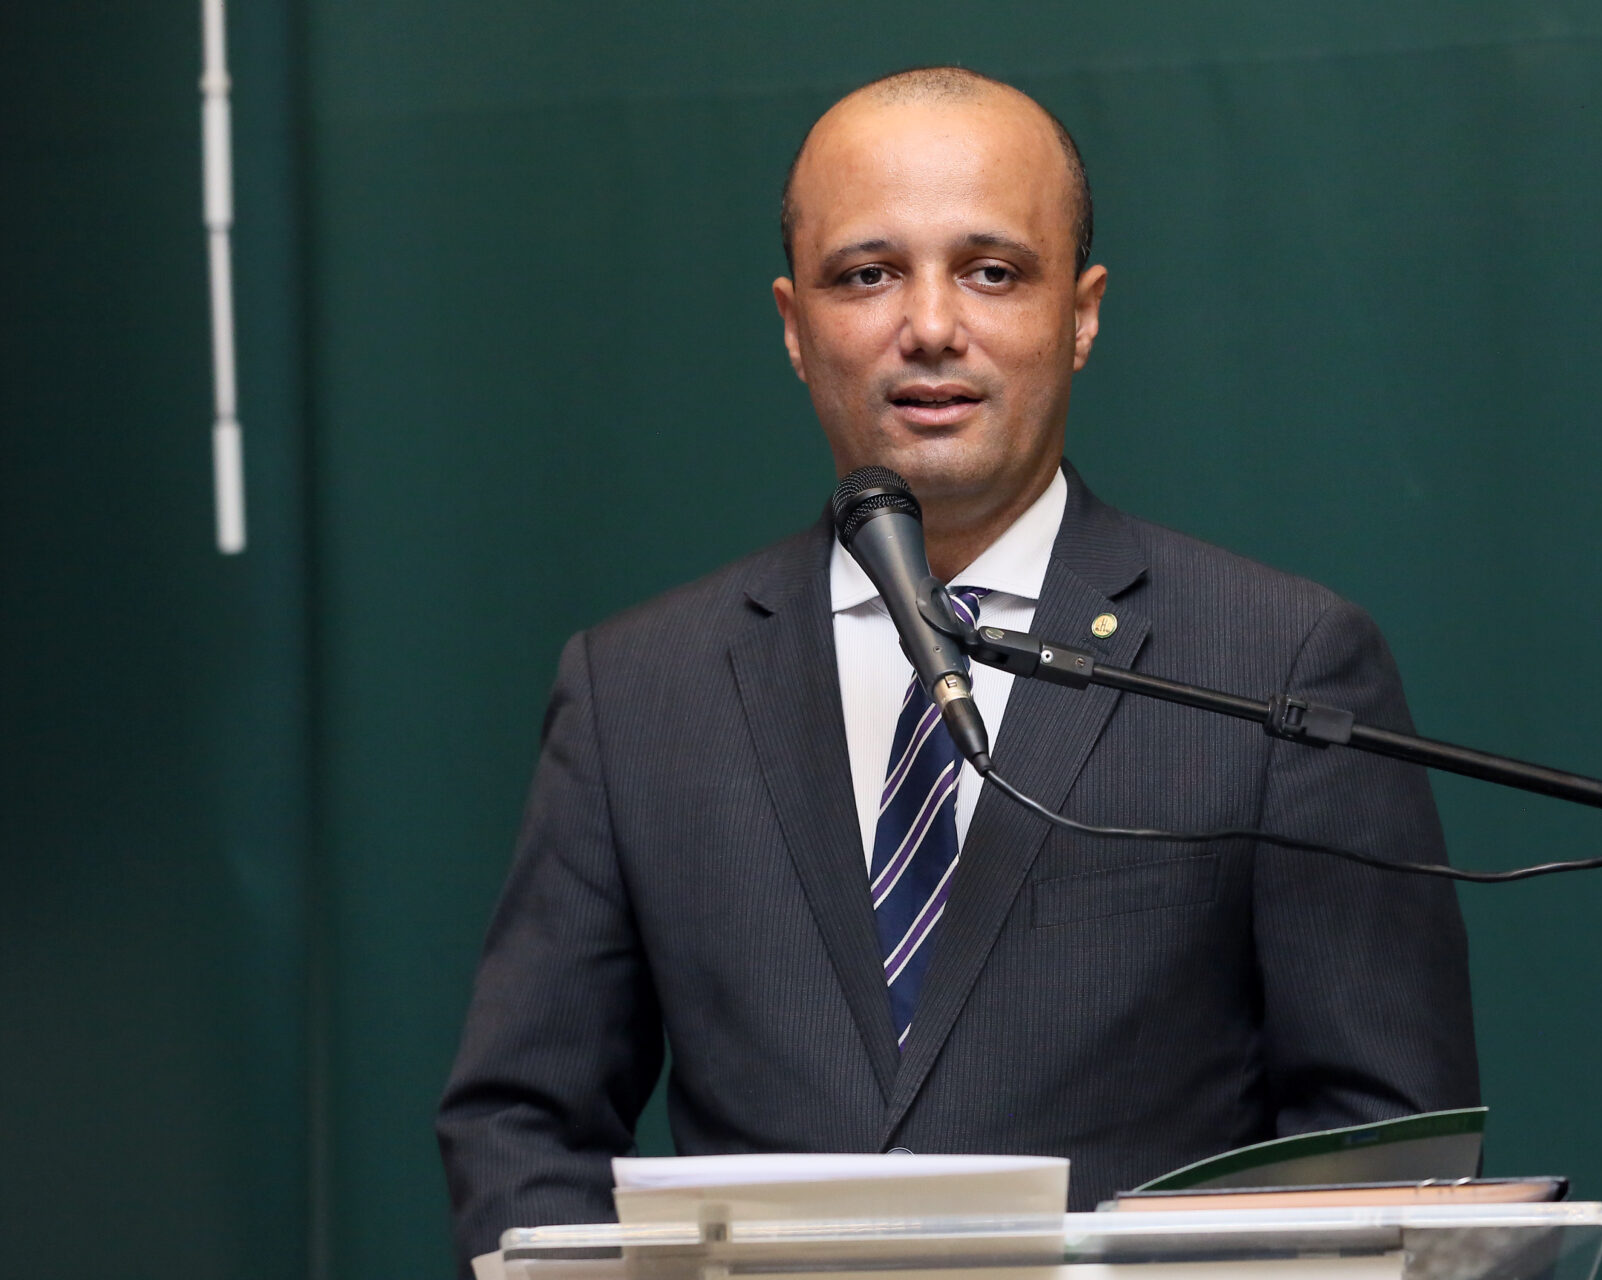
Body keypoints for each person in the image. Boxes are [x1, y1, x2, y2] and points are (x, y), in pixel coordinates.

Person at [437, 65, 1479, 1270]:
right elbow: (523, 1119)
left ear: (1081, 313)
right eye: (867, 273)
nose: (930, 324)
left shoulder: (1280, 662)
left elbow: (1383, 1149)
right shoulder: (636, 690)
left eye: (992, 270)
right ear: (792, 324)